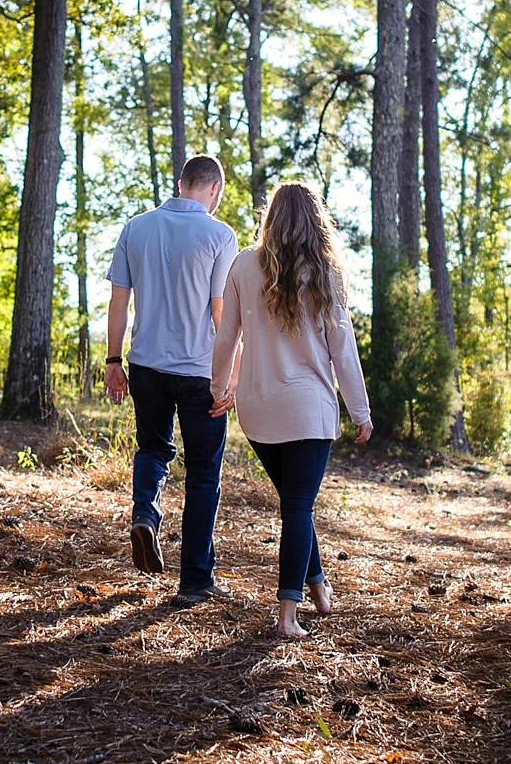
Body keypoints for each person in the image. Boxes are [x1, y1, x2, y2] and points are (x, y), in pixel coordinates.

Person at [209, 182, 372, 639]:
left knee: (295, 504)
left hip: (260, 410)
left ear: (271, 217)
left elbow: (227, 338)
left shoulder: (243, 264)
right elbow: (344, 350)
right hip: (309, 409)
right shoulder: (325, 271)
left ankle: (318, 586)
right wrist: (360, 411)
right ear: (315, 219)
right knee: (297, 506)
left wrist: (218, 387)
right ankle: (287, 615)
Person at [105, 154, 240, 606]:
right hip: (199, 371)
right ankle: (196, 580)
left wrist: (112, 361)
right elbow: (222, 313)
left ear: (180, 182)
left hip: (145, 365)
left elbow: (119, 303)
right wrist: (230, 376)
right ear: (215, 190)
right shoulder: (220, 236)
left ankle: (145, 513)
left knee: (153, 448)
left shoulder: (135, 228)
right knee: (203, 473)